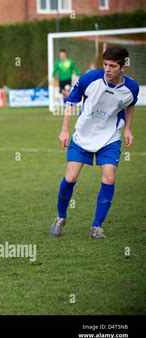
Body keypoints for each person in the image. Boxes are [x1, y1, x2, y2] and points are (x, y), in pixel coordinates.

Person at [49, 45, 139, 239]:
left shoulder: (131, 87)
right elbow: (71, 102)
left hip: (110, 138)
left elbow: (130, 104)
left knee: (108, 178)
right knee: (70, 178)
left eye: (113, 66)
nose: (107, 69)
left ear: (123, 68)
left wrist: (128, 128)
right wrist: (64, 129)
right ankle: (60, 217)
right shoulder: (89, 78)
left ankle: (97, 226)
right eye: (105, 64)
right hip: (83, 135)